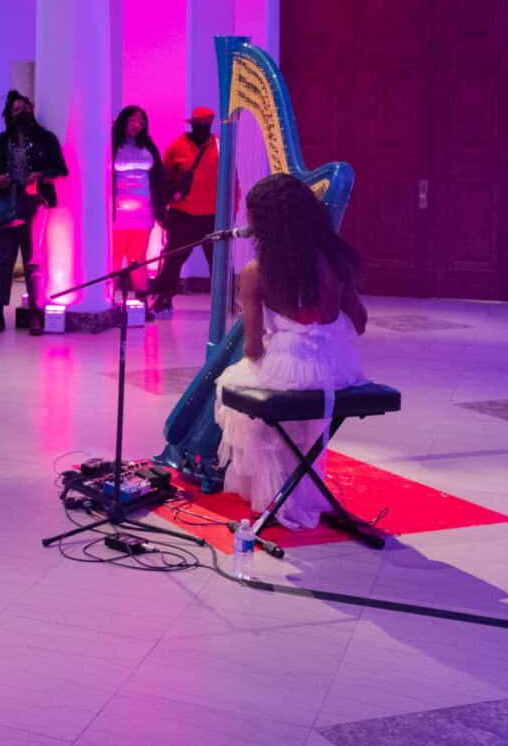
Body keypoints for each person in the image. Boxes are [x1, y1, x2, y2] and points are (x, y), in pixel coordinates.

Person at [215, 173, 369, 527]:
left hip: (288, 368)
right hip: (338, 370)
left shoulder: (256, 272)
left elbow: (252, 348)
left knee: (232, 389)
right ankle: (302, 486)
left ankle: (272, 494)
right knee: (287, 404)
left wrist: (276, 339)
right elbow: (359, 322)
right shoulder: (338, 260)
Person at [0, 90, 68, 334]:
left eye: (25, 108)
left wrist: (40, 175)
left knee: (33, 260)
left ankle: (35, 313)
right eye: (16, 110)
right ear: (8, 115)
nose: (21, 113)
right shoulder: (1, 142)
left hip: (34, 203)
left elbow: (61, 169)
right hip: (6, 205)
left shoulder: (46, 139)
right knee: (4, 261)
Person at [151, 106, 221, 318]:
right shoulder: (177, 147)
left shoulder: (218, 144)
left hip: (213, 214)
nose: (204, 127)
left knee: (218, 261)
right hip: (183, 214)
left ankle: (222, 302)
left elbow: (230, 178)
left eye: (207, 123)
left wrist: (232, 209)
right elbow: (164, 180)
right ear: (192, 124)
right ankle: (164, 298)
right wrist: (162, 209)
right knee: (174, 259)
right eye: (200, 124)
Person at [110, 105, 164, 301]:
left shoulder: (148, 147)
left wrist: (161, 209)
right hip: (117, 213)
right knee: (114, 256)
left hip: (144, 211)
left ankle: (141, 300)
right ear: (123, 120)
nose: (136, 125)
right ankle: (108, 298)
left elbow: (158, 178)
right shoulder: (111, 145)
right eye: (132, 120)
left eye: (140, 121)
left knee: (138, 255)